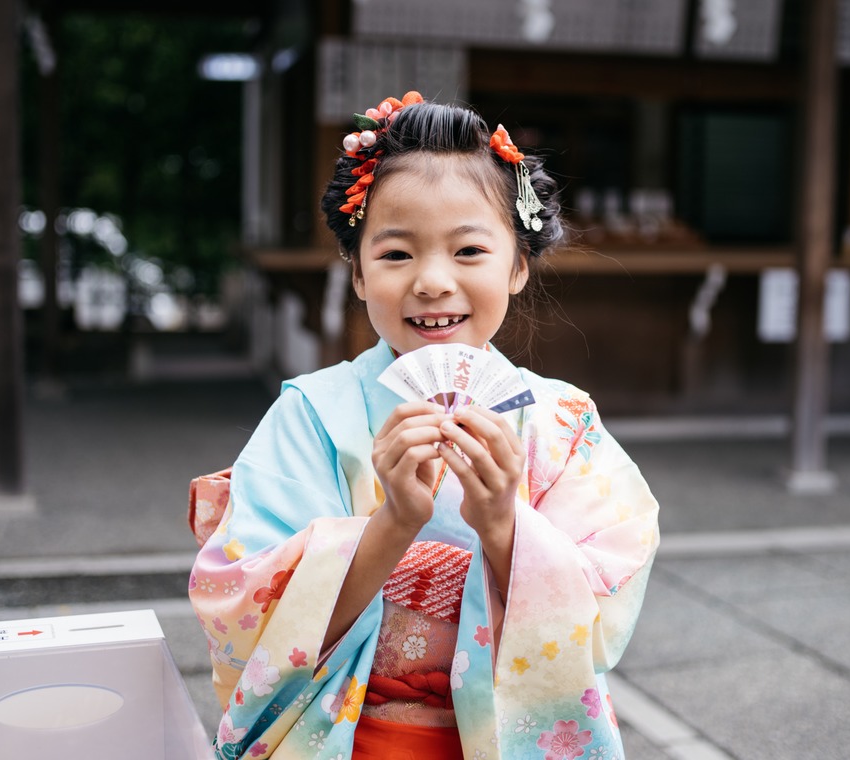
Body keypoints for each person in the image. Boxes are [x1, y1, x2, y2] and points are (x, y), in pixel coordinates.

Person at [188, 90, 660, 760]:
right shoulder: (312, 413)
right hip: (350, 734)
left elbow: (606, 600)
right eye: (396, 255)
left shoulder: (563, 422)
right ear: (357, 273)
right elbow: (239, 604)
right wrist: (393, 524)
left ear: (517, 266)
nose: (433, 282)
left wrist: (503, 525)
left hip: (502, 737)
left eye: (468, 250)